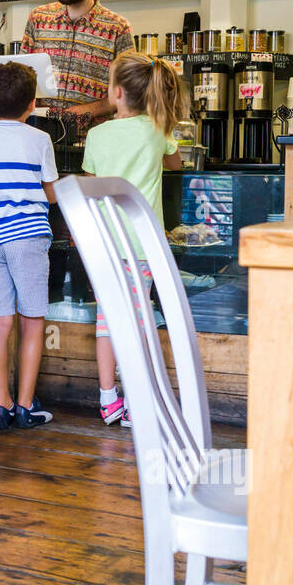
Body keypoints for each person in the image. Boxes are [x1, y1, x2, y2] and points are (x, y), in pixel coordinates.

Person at [81, 51, 185, 426]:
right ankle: (139, 401)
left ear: (118, 93)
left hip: (103, 246)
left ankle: (109, 400)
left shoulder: (96, 135)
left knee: (107, 322)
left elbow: (91, 182)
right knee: (141, 323)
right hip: (141, 247)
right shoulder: (158, 131)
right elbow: (176, 164)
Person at [0, 62, 56, 430]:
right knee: (32, 321)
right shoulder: (40, 140)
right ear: (32, 104)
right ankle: (25, 406)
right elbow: (50, 194)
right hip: (28, 236)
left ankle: (1, 406)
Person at [21, 0, 134, 129]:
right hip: (39, 136)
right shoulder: (38, 18)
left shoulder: (118, 28)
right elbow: (22, 80)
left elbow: (128, 93)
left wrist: (87, 110)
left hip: (91, 143)